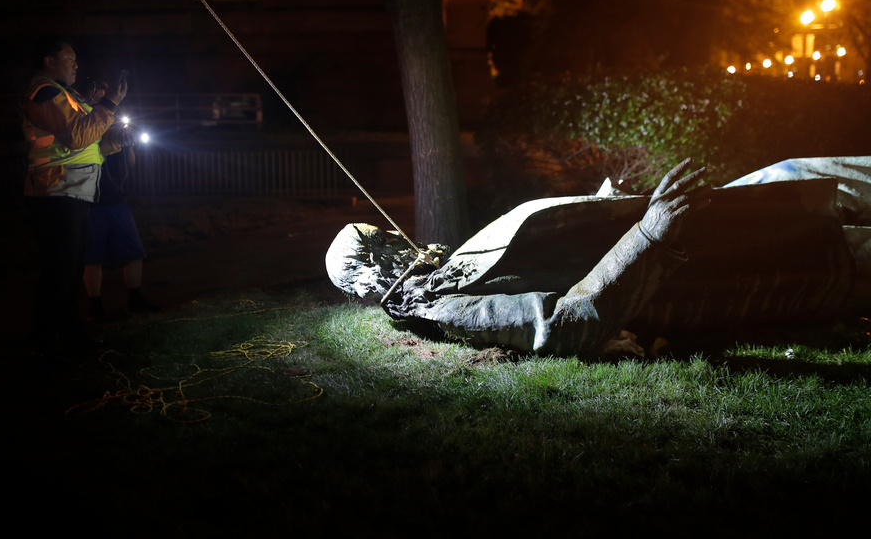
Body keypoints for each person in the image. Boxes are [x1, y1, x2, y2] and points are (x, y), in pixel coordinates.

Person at [326, 157, 870, 357]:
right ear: (372, 270)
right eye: (387, 242)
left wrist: (605, 206)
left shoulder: (448, 269)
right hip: (741, 266)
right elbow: (562, 325)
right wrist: (647, 232)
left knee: (792, 173)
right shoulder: (441, 304)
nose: (405, 241)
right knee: (845, 248)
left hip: (732, 220)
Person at [22, 36, 128, 354]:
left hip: (71, 192)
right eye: (69, 58)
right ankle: (43, 343)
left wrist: (118, 141)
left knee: (70, 272)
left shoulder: (65, 95)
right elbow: (78, 137)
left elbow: (89, 142)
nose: (76, 64)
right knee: (60, 272)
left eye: (76, 59)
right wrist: (109, 105)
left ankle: (70, 336)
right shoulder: (45, 93)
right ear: (48, 61)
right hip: (55, 193)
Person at [83, 142, 159, 320]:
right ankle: (95, 306)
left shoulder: (117, 132)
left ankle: (135, 300)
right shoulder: (90, 128)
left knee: (134, 253)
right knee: (93, 259)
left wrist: (129, 145)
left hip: (117, 202)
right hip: (91, 203)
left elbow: (130, 163)